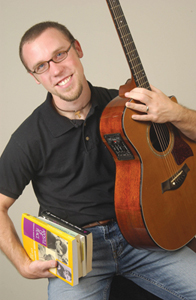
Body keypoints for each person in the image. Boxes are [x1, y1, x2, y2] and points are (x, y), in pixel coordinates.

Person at [0, 21, 196, 300]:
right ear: (35, 77)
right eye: (41, 66)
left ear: (77, 49)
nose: (56, 70)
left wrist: (174, 112)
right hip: (79, 256)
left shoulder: (123, 106)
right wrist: (21, 263)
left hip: (140, 238)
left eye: (59, 54)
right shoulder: (29, 137)